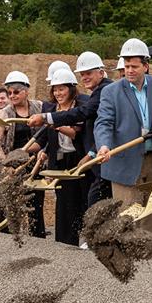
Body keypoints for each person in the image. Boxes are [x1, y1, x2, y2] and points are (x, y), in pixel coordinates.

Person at [95, 39, 152, 258]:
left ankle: (149, 259)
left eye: (134, 66)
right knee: (128, 211)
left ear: (145, 66)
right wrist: (104, 145)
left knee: (150, 211)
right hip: (123, 160)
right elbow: (103, 123)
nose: (129, 70)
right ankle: (128, 259)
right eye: (126, 66)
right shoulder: (111, 92)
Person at [29, 51, 113, 208]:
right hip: (87, 156)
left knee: (94, 202)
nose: (85, 77)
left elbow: (84, 114)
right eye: (82, 74)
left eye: (88, 73)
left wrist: (48, 118)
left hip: (98, 156)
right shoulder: (99, 91)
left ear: (101, 73)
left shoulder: (103, 91)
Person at [40, 68, 91, 245]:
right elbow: (45, 138)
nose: (58, 93)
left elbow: (76, 133)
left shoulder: (80, 106)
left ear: (71, 88)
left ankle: (87, 239)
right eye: (55, 89)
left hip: (79, 159)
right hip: (61, 160)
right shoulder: (52, 109)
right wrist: (43, 153)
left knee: (83, 198)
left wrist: (58, 125)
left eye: (62, 89)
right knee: (64, 202)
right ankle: (65, 242)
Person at [0, 71, 46, 238]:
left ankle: (38, 239)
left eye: (16, 92)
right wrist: (6, 164)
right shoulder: (5, 114)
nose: (12, 96)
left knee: (35, 204)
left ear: (26, 91)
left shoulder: (39, 107)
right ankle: (11, 240)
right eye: (9, 93)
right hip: (13, 167)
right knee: (12, 205)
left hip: (35, 163)